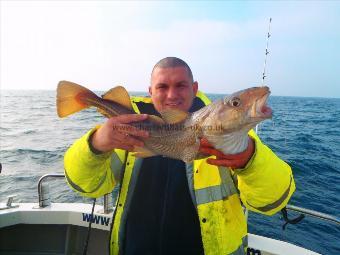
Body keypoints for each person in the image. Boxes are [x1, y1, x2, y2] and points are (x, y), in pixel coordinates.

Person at [64, 57, 295, 255]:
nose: (171, 95)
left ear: (194, 88)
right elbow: (87, 186)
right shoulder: (123, 130)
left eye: (181, 85)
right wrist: (95, 145)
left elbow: (273, 202)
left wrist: (250, 160)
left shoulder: (237, 140)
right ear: (150, 91)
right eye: (162, 87)